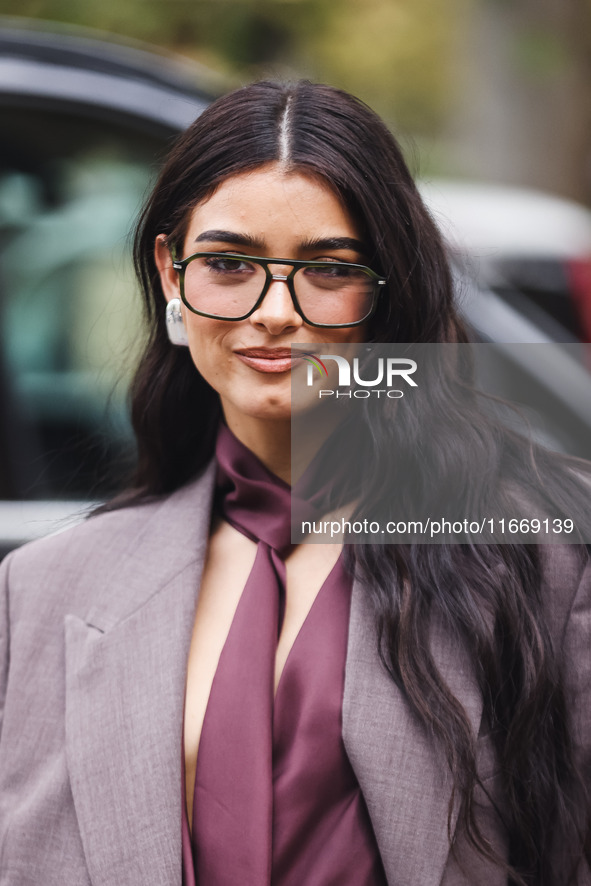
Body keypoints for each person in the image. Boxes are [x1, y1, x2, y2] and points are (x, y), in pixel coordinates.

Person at [0, 79, 589, 886]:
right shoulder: (40, 594)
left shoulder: (547, 554)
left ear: (384, 293)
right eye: (229, 263)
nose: (274, 311)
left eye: (326, 269)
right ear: (171, 274)